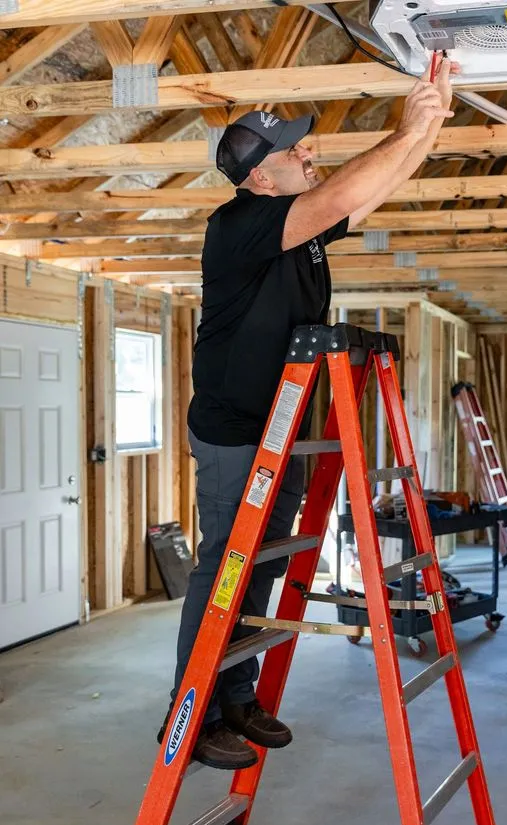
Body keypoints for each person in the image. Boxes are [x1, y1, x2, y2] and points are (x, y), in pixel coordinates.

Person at [159, 58, 458, 770]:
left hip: (281, 428)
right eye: (292, 151)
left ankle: (236, 693)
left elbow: (370, 189)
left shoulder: (299, 232)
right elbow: (338, 196)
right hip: (237, 431)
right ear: (259, 179)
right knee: (224, 569)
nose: (308, 152)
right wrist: (402, 125)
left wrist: (426, 128)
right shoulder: (240, 225)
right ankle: (191, 712)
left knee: (257, 566)